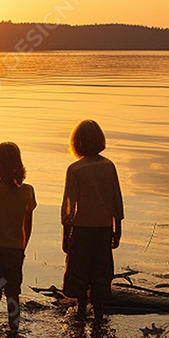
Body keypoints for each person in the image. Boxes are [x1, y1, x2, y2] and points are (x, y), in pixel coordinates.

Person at [61, 119, 124, 323]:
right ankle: (98, 313)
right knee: (100, 273)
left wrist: (65, 236)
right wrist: (117, 229)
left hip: (81, 230)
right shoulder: (108, 166)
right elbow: (116, 200)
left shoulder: (75, 169)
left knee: (78, 272)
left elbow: (68, 208)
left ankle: (80, 310)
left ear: (76, 143)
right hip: (103, 229)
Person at [0, 142, 36, 331]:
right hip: (15, 250)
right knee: (13, 294)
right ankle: (14, 331)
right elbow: (28, 224)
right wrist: (22, 246)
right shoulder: (27, 191)